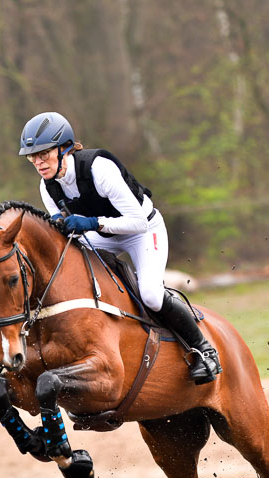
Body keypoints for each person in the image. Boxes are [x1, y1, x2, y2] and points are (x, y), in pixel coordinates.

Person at [19, 111, 221, 385]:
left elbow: (136, 222)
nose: (38, 162)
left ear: (64, 147)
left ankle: (204, 350)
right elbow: (65, 227)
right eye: (33, 157)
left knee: (150, 294)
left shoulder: (99, 168)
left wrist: (91, 222)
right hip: (101, 235)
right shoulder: (48, 187)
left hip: (142, 231)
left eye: (44, 154)